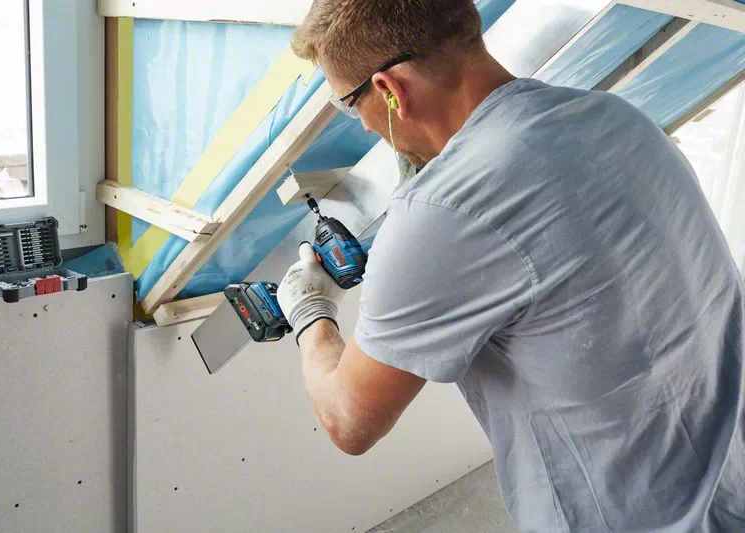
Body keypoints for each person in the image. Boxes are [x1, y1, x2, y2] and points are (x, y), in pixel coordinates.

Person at [275, 1, 745, 531]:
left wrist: (310, 311)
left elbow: (348, 421)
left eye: (349, 104)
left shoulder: (440, 215)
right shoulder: (613, 114)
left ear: (388, 91)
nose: (363, 127)